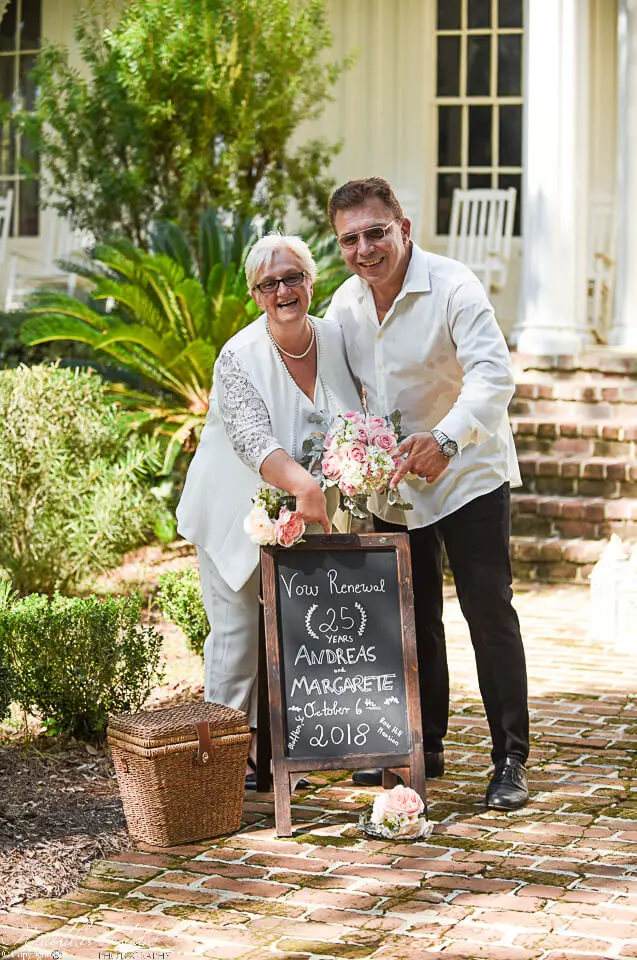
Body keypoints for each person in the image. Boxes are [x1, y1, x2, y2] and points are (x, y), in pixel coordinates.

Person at [325, 177, 530, 811]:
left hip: (467, 471)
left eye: (376, 232)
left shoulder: (454, 285)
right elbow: (334, 397)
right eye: (350, 239)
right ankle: (423, 745)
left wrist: (444, 439)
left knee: (487, 610)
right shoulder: (343, 307)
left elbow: (495, 376)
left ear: (403, 227)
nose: (365, 248)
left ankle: (510, 758)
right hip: (394, 487)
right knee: (412, 620)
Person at [176, 234, 362, 787]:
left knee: (297, 632)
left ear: (311, 281)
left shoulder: (334, 337)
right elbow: (253, 440)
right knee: (236, 643)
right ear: (256, 295)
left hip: (306, 513)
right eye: (270, 283)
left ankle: (277, 757)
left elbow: (354, 421)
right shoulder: (238, 355)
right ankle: (217, 778)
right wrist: (305, 485)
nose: (284, 290)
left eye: (293, 277)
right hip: (236, 512)